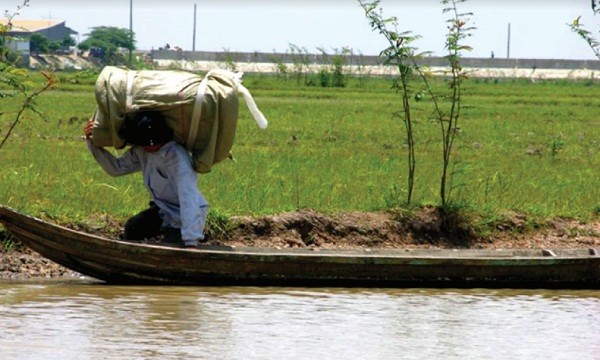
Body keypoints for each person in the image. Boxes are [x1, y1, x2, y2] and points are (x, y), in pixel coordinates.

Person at [83, 112, 208, 248]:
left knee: (170, 247)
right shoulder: (143, 151)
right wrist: (91, 141)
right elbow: (116, 168)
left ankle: (188, 236)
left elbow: (188, 199)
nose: (147, 148)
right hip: (163, 210)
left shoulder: (177, 159)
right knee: (133, 228)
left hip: (183, 216)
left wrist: (191, 240)